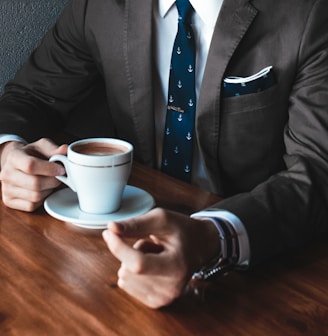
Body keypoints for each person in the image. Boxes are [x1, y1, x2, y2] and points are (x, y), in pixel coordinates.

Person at [1, 0, 328, 309]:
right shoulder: (98, 6)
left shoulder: (311, 13)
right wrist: (7, 152)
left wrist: (213, 235)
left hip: (260, 272)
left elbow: (316, 172)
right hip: (110, 253)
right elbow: (30, 96)